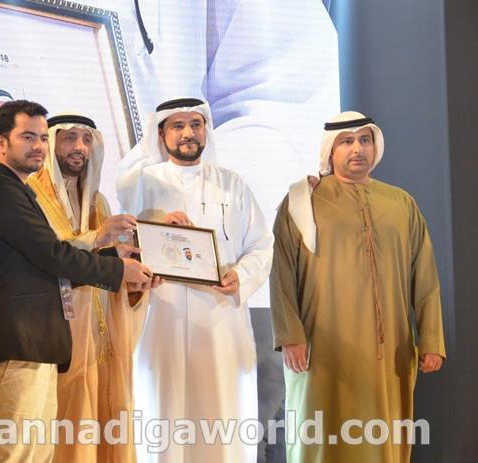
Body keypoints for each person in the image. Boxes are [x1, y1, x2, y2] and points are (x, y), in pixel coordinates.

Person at [0, 100, 153, 462]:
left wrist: (122, 264)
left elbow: (47, 263)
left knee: (35, 455)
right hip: (14, 349)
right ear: (0, 142)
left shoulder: (17, 189)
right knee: (15, 455)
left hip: (35, 348)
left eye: (41, 138)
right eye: (27, 137)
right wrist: (117, 270)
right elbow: (52, 255)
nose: (37, 146)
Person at [269, 111, 446, 462]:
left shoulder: (401, 204)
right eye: (346, 141)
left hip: (388, 350)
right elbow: (282, 273)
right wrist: (290, 335)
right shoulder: (303, 201)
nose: (357, 149)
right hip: (321, 349)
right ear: (330, 151)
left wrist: (430, 340)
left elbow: (425, 278)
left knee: (382, 438)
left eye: (365, 140)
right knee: (321, 437)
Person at [116, 97, 274, 462]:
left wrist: (240, 275)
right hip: (162, 317)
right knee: (163, 416)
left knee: (222, 417)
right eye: (178, 126)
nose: (188, 133)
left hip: (221, 320)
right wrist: (155, 225)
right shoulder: (143, 183)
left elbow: (261, 245)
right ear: (161, 134)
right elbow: (124, 242)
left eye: (196, 124)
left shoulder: (232, 184)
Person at [27, 113, 160, 462]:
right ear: (51, 143)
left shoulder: (98, 203)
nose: (80, 147)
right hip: (56, 336)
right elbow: (49, 258)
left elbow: (108, 269)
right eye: (70, 138)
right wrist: (98, 238)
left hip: (100, 340)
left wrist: (136, 283)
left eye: (86, 139)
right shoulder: (31, 196)